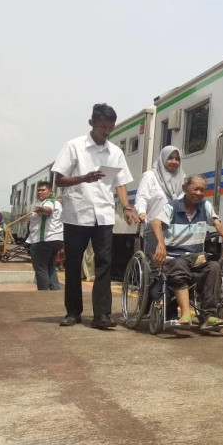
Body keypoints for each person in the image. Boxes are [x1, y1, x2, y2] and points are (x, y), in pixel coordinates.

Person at [52, 103, 138, 329]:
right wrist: (83, 178)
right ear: (91, 123)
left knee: (104, 264)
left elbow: (120, 183)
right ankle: (73, 312)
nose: (106, 131)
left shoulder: (115, 152)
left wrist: (126, 208)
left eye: (110, 127)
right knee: (73, 263)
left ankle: (102, 315)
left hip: (104, 216)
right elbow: (59, 180)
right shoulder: (74, 147)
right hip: (76, 215)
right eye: (102, 126)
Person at [150, 174, 223, 331]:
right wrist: (161, 243)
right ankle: (185, 312)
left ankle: (208, 317)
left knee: (214, 266)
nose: (199, 193)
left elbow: (218, 224)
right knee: (179, 263)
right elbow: (155, 222)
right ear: (185, 188)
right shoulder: (173, 206)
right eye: (195, 189)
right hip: (173, 258)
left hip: (195, 259)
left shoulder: (205, 206)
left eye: (202, 190)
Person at [134, 145, 185, 252]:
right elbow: (142, 197)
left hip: (176, 230)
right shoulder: (150, 176)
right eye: (170, 158)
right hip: (154, 229)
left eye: (177, 159)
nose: (174, 161)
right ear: (163, 158)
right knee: (155, 263)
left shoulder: (183, 179)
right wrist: (141, 212)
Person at [27, 181, 64, 290]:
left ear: (51, 192)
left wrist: (41, 209)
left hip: (44, 240)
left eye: (43, 190)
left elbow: (48, 211)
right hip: (56, 239)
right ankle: (55, 290)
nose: (40, 192)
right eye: (38, 190)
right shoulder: (57, 203)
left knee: (40, 268)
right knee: (50, 266)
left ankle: (43, 294)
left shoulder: (48, 202)